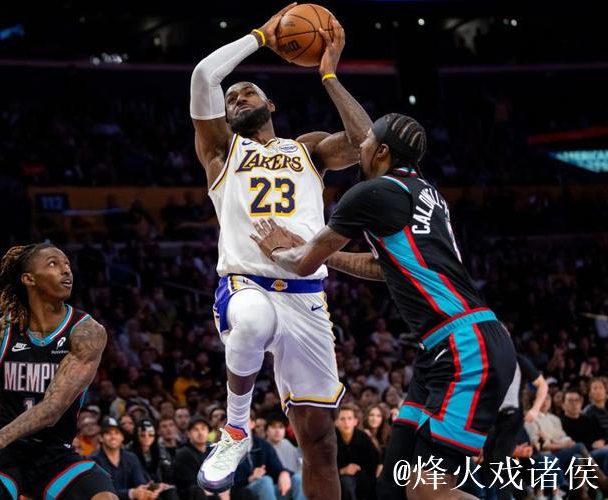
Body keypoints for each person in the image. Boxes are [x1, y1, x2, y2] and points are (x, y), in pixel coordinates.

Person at [251, 109, 517, 499]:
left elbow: (303, 263)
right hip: (447, 347)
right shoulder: (423, 191)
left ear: (381, 152)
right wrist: (323, 255)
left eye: (368, 141)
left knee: (426, 490)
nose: (360, 146)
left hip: (465, 346)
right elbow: (384, 267)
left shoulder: (371, 193)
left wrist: (277, 250)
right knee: (393, 486)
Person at [191, 7, 369, 498]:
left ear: (270, 104)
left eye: (247, 92)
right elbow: (204, 75)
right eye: (231, 98)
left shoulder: (306, 149)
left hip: (306, 295)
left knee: (320, 441)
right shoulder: (221, 151)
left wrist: (329, 74)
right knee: (252, 321)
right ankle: (235, 429)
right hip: (245, 283)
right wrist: (261, 36)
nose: (236, 98)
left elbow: (366, 144)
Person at [0, 243, 116, 499]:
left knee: (104, 496)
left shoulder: (86, 332)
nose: (66, 271)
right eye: (53, 264)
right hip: (2, 455)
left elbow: (52, 409)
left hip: (54, 452)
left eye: (67, 264)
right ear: (28, 279)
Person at [480, 353, 548, 497]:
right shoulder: (485, 359)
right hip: (491, 416)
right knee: (489, 460)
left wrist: (535, 409)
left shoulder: (519, 360)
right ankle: (521, 490)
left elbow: (542, 384)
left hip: (512, 416)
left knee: (500, 459)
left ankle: (516, 493)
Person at [90, 418, 169, 500]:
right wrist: (131, 493)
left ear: (122, 437)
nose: (113, 437)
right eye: (108, 433)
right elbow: (100, 493)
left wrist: (147, 492)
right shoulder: (93, 461)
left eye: (116, 433)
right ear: (101, 438)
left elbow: (140, 483)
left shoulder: (131, 457)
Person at [172, 417, 229, 500]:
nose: (200, 433)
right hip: (190, 494)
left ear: (208, 432)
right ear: (188, 434)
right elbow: (188, 482)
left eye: (203, 429)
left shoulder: (213, 451)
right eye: (196, 430)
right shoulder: (183, 453)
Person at [335, 404, 379, 500]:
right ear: (336, 422)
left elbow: (375, 459)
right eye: (342, 419)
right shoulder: (330, 441)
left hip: (363, 476)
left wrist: (380, 466)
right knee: (347, 482)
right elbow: (323, 468)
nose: (346, 422)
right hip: (339, 479)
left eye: (349, 418)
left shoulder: (363, 437)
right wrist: (342, 471)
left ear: (355, 421)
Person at [129, 419, 178, 500]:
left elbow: (170, 476)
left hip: (161, 488)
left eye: (150, 434)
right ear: (136, 435)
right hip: (139, 489)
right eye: (142, 435)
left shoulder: (162, 452)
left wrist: (161, 487)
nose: (147, 437)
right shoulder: (128, 453)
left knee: (171, 491)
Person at [561, 389, 608, 472]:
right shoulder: (561, 423)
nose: (574, 404)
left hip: (598, 449)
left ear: (581, 403)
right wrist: (592, 445)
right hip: (583, 453)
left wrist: (602, 441)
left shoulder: (590, 419)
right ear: (563, 405)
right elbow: (573, 444)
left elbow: (604, 433)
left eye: (577, 400)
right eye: (570, 401)